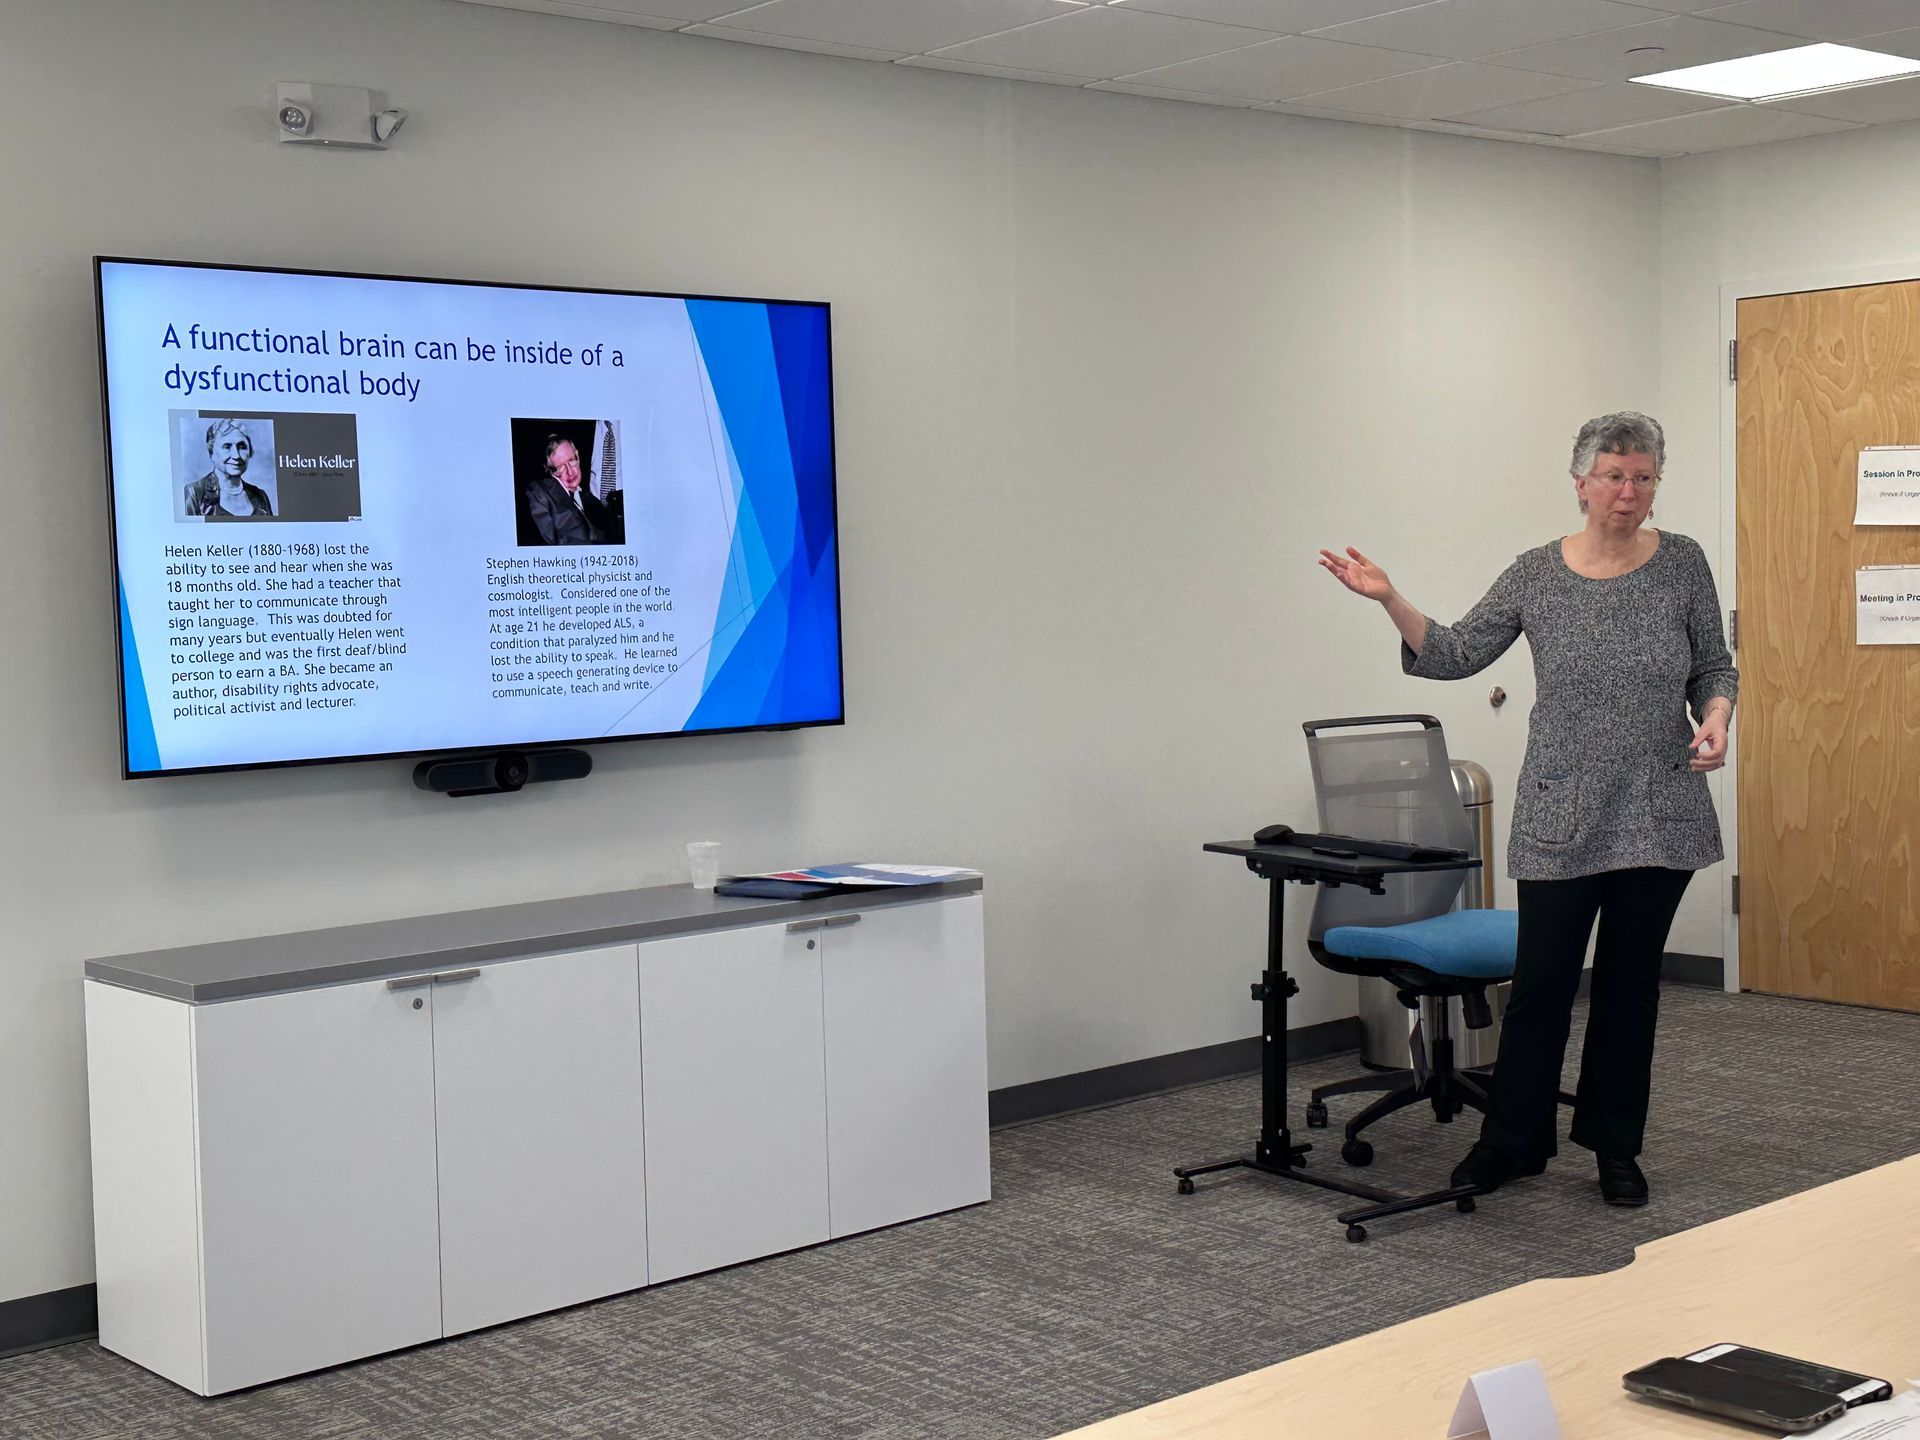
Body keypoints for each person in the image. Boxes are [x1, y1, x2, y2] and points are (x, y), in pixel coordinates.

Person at [1318, 411, 1736, 1208]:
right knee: (1542, 984)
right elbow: (1454, 653)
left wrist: (1716, 715)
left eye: (1643, 476)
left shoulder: (1682, 562)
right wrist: (1389, 599)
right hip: (1561, 808)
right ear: (1580, 483)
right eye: (1613, 475)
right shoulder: (1536, 573)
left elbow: (1712, 664)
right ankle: (1511, 1144)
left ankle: (1616, 1148)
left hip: (1661, 802)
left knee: (1629, 985)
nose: (1628, 491)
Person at [522, 434, 616, 545]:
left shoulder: (590, 499)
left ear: (578, 457)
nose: (570, 472)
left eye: (571, 461)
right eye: (560, 468)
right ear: (550, 471)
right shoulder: (537, 492)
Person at [183, 419, 273, 517]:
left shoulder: (260, 496)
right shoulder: (194, 493)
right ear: (212, 453)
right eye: (227, 447)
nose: (236, 455)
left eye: (242, 447)